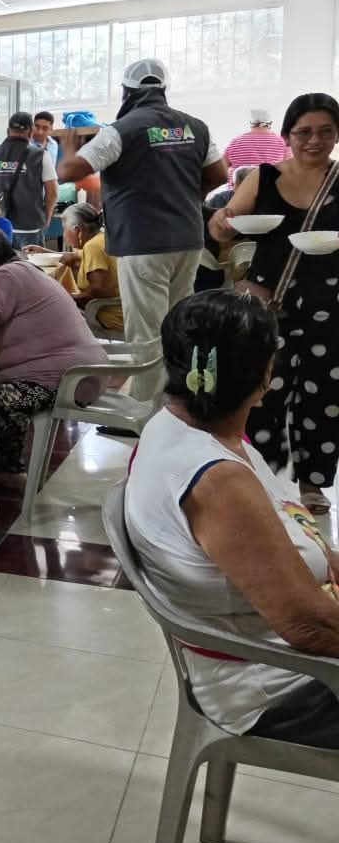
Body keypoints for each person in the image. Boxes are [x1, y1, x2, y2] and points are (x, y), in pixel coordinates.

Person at [127, 290, 339, 748]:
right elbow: (309, 627)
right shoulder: (216, 479)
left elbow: (290, 534)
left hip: (278, 658)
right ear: (265, 376)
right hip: (276, 685)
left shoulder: (179, 428)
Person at [60, 58, 228, 399]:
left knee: (147, 331)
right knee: (178, 322)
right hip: (188, 239)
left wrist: (67, 145)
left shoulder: (122, 129)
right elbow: (219, 175)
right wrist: (186, 198)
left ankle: (145, 408)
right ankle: (180, 401)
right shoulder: (196, 127)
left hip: (143, 242)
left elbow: (69, 171)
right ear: (163, 89)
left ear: (126, 91)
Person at [212, 93, 339, 514]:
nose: (314, 140)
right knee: (262, 392)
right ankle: (261, 475)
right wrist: (221, 222)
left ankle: (312, 484)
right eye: (304, 132)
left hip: (330, 303)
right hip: (268, 300)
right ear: (286, 135)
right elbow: (224, 227)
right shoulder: (263, 177)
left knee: (324, 394)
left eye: (325, 131)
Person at [0, 228, 106, 517]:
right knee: (2, 391)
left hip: (64, 380)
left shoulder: (5, 276)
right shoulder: (22, 271)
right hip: (77, 376)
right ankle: (8, 469)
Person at [31, 202, 123, 333]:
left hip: (107, 316)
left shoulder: (93, 247)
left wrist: (68, 297)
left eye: (64, 229)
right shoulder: (100, 238)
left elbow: (99, 290)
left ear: (78, 230)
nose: (64, 235)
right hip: (121, 310)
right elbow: (73, 257)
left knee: (44, 310)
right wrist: (43, 252)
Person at [0, 111, 57, 247]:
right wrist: (45, 219)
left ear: (8, 131)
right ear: (30, 132)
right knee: (29, 261)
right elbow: (52, 193)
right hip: (30, 227)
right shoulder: (41, 156)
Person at [223, 107, 288, 183]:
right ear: (270, 123)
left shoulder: (235, 142)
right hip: (270, 187)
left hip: (239, 188)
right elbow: (289, 168)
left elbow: (222, 168)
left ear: (251, 122)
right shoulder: (282, 142)